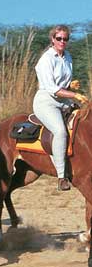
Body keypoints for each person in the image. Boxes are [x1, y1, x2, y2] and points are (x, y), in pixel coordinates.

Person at [33, 25, 88, 191]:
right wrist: (75, 95)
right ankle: (62, 176)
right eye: (59, 38)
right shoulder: (46, 59)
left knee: (84, 121)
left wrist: (71, 85)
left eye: (65, 39)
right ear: (52, 39)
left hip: (63, 100)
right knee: (60, 131)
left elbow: (62, 84)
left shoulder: (68, 57)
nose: (62, 42)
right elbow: (51, 88)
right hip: (46, 102)